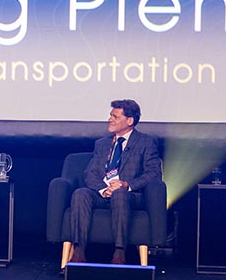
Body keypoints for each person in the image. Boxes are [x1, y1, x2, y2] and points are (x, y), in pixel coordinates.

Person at [69, 99, 162, 265]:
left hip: (130, 195)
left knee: (120, 194)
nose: (109, 119)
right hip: (103, 193)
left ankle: (119, 253)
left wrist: (127, 185)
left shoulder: (146, 142)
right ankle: (78, 252)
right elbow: (90, 173)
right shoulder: (102, 144)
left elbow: (154, 173)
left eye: (115, 116)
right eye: (110, 115)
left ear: (129, 121)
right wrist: (103, 189)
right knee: (80, 193)